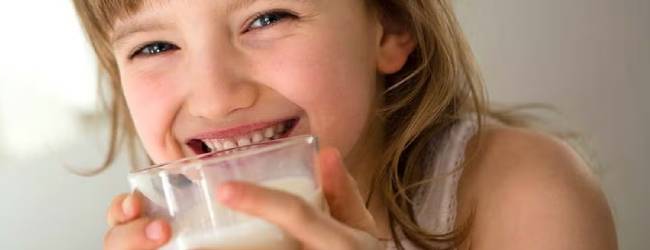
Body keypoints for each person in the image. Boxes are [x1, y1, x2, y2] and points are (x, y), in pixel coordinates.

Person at [71, 0, 617, 249]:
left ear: (389, 27)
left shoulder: (521, 190)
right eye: (156, 45)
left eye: (267, 18)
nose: (215, 99)